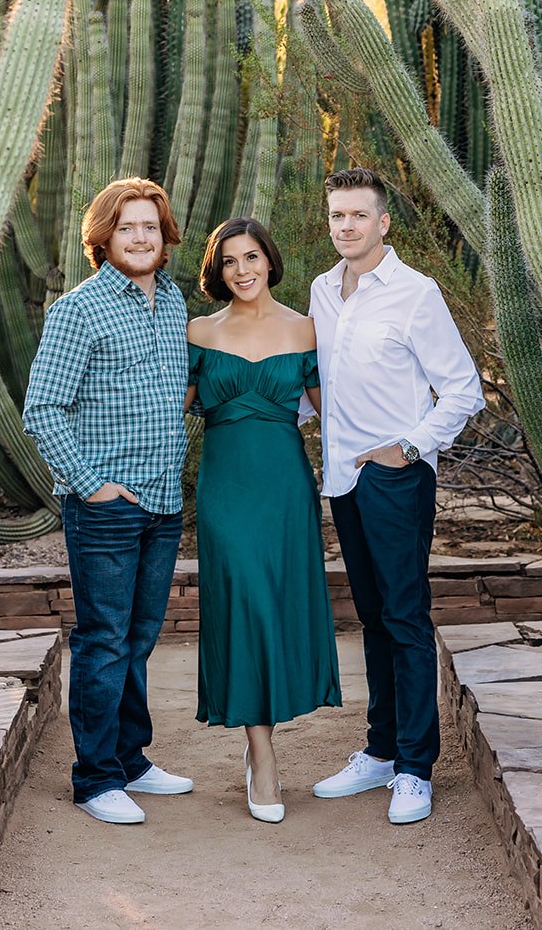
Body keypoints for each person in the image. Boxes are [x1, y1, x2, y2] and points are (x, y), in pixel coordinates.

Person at [307, 167, 485, 825]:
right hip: (344, 480)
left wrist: (405, 449)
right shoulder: (324, 291)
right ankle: (381, 750)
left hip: (396, 477)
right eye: (337, 216)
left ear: (384, 222)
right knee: (373, 619)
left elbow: (464, 390)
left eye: (358, 215)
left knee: (406, 619)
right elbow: (319, 384)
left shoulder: (416, 293)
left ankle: (415, 766)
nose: (346, 226)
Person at [22, 178, 195, 826]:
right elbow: (42, 408)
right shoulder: (79, 309)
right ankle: (96, 780)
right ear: (103, 238)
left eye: (150, 225)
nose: (142, 236)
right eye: (128, 227)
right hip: (105, 506)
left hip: (161, 501)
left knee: (140, 638)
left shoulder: (174, 302)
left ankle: (130, 759)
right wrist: (90, 482)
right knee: (103, 639)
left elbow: (176, 389)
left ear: (165, 234)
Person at [185, 218, 341, 824]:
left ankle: (262, 740)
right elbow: (170, 403)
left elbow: (338, 410)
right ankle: (262, 752)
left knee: (273, 606)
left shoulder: (306, 329)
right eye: (229, 262)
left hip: (284, 487)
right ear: (218, 271)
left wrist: (396, 453)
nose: (242, 270)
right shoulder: (199, 330)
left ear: (269, 261)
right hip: (225, 489)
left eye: (251, 257)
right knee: (242, 601)